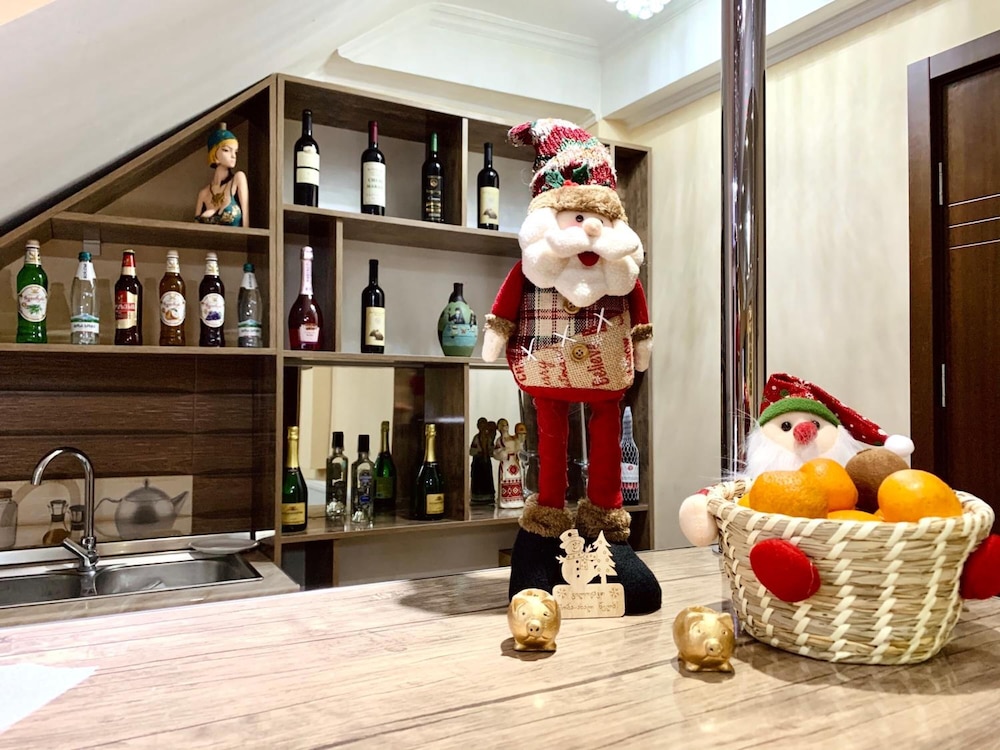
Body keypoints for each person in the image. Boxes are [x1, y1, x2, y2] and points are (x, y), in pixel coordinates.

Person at [482, 118, 660, 615]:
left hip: (605, 376)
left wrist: (641, 341)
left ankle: (604, 512)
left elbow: (637, 307)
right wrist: (496, 331)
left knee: (606, 435)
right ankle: (548, 513)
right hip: (547, 371)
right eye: (578, 216)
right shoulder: (534, 267)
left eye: (599, 218)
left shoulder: (618, 272)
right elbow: (508, 301)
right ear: (549, 218)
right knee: (550, 437)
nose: (591, 229)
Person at [194, 123, 249, 227]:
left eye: (235, 152)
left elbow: (246, 223)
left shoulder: (238, 178)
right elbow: (195, 229)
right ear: (214, 153)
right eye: (226, 150)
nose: (233, 156)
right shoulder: (204, 193)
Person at [493, 418, 526, 509]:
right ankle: (506, 501)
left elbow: (519, 445)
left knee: (516, 478)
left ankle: (517, 499)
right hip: (506, 463)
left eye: (506, 424)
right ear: (499, 428)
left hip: (514, 462)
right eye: (503, 425)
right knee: (506, 479)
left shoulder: (513, 438)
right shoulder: (499, 440)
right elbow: (495, 452)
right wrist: (503, 451)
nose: (505, 427)